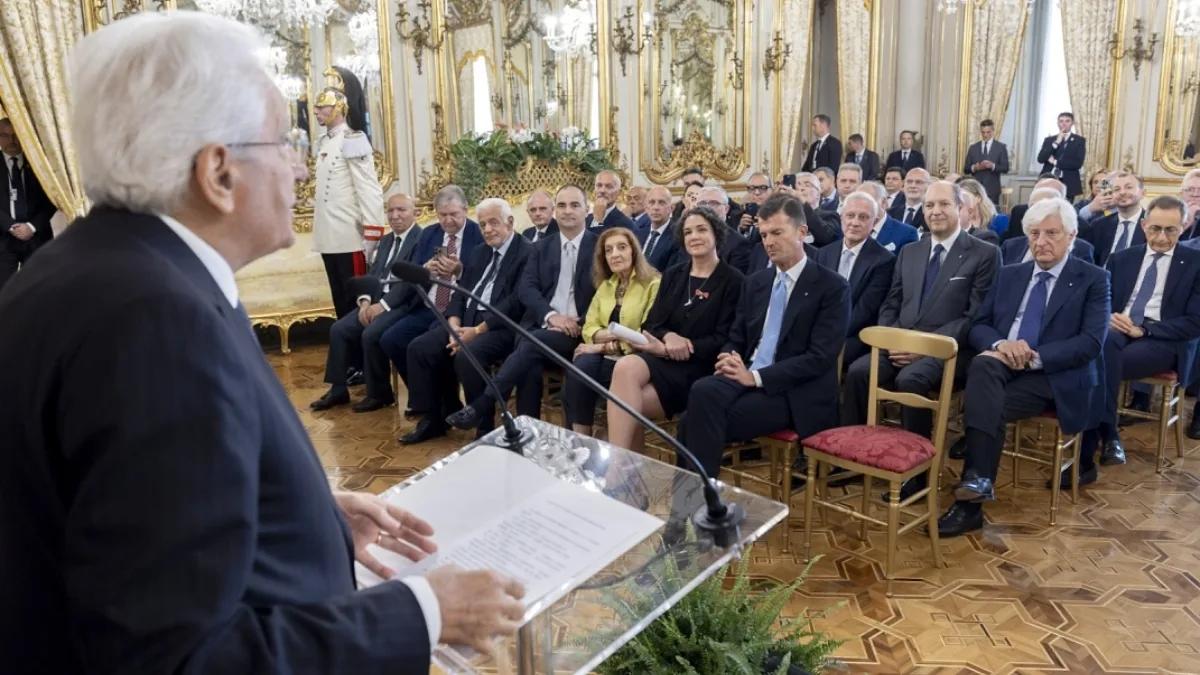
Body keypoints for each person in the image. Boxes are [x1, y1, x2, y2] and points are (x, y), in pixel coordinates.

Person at [0, 12, 525, 673]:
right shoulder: (156, 321)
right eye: (284, 143)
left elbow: (133, 505)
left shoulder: (93, 268)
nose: (301, 169)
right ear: (218, 171)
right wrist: (423, 610)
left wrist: (294, 510)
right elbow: (182, 657)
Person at [938, 198, 1109, 536]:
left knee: (986, 403)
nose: (1041, 242)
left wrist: (1032, 354)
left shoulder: (1093, 279)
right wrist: (1003, 345)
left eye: (1051, 233)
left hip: (1055, 376)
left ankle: (970, 500)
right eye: (1034, 233)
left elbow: (1090, 344)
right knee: (985, 365)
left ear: (1071, 236)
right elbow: (979, 325)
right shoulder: (1010, 274)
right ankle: (977, 483)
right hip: (1003, 364)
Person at [842, 181, 1000, 498]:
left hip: (949, 350)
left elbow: (974, 317)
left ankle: (918, 474)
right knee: (859, 372)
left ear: (960, 208)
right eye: (929, 206)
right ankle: (853, 459)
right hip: (899, 341)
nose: (935, 211)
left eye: (943, 204)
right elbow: (891, 302)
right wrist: (891, 339)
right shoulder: (910, 252)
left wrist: (921, 346)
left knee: (910, 381)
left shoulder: (984, 253)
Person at [677, 194, 849, 478]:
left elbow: (820, 358)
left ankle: (695, 509)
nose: (768, 242)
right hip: (746, 376)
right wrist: (729, 358)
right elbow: (737, 336)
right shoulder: (757, 282)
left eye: (777, 233)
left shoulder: (832, 287)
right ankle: (703, 509)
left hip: (795, 392)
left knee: (691, 421)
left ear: (802, 233)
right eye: (764, 234)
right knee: (702, 393)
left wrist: (755, 378)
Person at [446, 184, 598, 431]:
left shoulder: (599, 246)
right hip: (542, 325)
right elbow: (526, 290)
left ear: (587, 210)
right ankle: (528, 432)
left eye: (574, 205)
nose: (567, 211)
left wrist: (575, 322)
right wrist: (551, 317)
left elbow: (604, 296)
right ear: (555, 212)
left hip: (578, 329)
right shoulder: (541, 246)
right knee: (529, 360)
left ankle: (485, 404)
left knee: (529, 344)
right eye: (561, 205)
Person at [1075, 196, 1200, 478]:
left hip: (1163, 339)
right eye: (1155, 228)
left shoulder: (1195, 263)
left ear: (1183, 227)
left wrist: (1144, 329)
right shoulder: (1123, 259)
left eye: (1171, 230)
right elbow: (1099, 301)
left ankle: (1097, 441)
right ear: (1144, 225)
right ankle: (1107, 436)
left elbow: (1195, 321)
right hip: (1120, 328)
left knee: (1100, 360)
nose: (1161, 237)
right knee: (1104, 347)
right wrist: (1109, 316)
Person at [607, 208, 744, 453]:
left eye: (702, 229)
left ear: (717, 234)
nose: (694, 236)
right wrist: (669, 338)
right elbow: (652, 324)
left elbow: (724, 338)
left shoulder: (734, 281)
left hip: (699, 367)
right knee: (625, 368)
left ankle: (620, 473)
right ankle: (623, 470)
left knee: (626, 403)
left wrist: (679, 348)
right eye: (688, 231)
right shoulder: (673, 275)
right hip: (661, 355)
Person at [401, 198, 532, 443]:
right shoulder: (480, 251)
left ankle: (484, 426)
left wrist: (477, 331)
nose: (488, 230)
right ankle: (433, 418)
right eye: (482, 225)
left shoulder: (526, 251)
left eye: (493, 223)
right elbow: (461, 292)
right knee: (419, 348)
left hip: (500, 326)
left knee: (466, 355)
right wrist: (453, 326)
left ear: (510, 222)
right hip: (465, 322)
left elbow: (516, 301)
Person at [310, 192, 423, 411]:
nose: (395, 216)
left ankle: (379, 394)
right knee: (339, 329)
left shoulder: (421, 239)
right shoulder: (386, 240)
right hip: (375, 301)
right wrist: (364, 301)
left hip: (403, 305)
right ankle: (338, 389)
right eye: (390, 210)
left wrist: (383, 306)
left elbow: (412, 282)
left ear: (415, 212)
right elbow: (374, 273)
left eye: (401, 210)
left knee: (371, 333)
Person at [563, 227, 661, 436]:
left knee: (599, 374)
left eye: (622, 247)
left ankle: (610, 439)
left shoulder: (653, 283)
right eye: (609, 250)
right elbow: (589, 327)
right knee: (579, 370)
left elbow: (644, 333)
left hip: (634, 356)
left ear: (634, 251)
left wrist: (601, 345)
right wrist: (612, 337)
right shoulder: (606, 286)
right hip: (604, 353)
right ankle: (581, 440)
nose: (615, 254)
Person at [312, 71, 386, 319]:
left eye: (322, 106)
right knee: (339, 303)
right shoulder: (323, 142)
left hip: (349, 237)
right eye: (317, 106)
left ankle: (358, 355)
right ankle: (346, 354)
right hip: (328, 237)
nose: (316, 111)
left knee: (355, 305)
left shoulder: (353, 139)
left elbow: (369, 189)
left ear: (339, 108)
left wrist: (372, 233)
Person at [815, 191, 895, 366]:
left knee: (822, 356)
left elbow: (865, 311)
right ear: (841, 217)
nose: (855, 223)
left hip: (856, 335)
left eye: (863, 217)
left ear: (874, 222)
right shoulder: (824, 253)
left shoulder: (883, 260)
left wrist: (829, 334)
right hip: (820, 330)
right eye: (850, 215)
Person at [0, 118, 56, 290]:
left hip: (37, 237)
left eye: (16, 135)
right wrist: (11, 226)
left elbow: (53, 199)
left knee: (39, 291)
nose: (11, 141)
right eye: (5, 135)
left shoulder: (41, 164)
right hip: (3, 239)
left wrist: (31, 227)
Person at [1037, 112, 1087, 201]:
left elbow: (1077, 163)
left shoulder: (1079, 141)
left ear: (1072, 123)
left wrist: (1055, 162)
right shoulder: (1049, 140)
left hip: (1068, 181)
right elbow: (1041, 159)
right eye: (1061, 121)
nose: (1064, 124)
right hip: (1049, 179)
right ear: (1058, 123)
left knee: (1065, 209)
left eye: (1067, 121)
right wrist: (1056, 142)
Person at [962, 119, 1009, 205]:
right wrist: (975, 167)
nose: (985, 135)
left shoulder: (1001, 148)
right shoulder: (973, 148)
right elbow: (966, 169)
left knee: (991, 215)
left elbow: (1005, 168)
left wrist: (993, 166)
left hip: (993, 190)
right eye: (983, 132)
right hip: (975, 190)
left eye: (988, 132)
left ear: (993, 131)